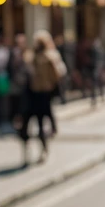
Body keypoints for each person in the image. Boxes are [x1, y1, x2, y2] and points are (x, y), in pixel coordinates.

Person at [19, 30, 66, 165]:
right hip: (32, 94)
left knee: (40, 124)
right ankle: (29, 151)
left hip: (43, 93)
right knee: (27, 125)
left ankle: (43, 149)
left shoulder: (49, 56)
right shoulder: (31, 56)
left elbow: (57, 74)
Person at [8, 32, 29, 129]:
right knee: (16, 105)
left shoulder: (26, 53)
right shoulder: (14, 53)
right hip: (16, 84)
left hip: (25, 84)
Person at [0, 26, 11, 132]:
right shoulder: (0, 51)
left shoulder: (6, 51)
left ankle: (4, 120)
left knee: (3, 101)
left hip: (4, 78)